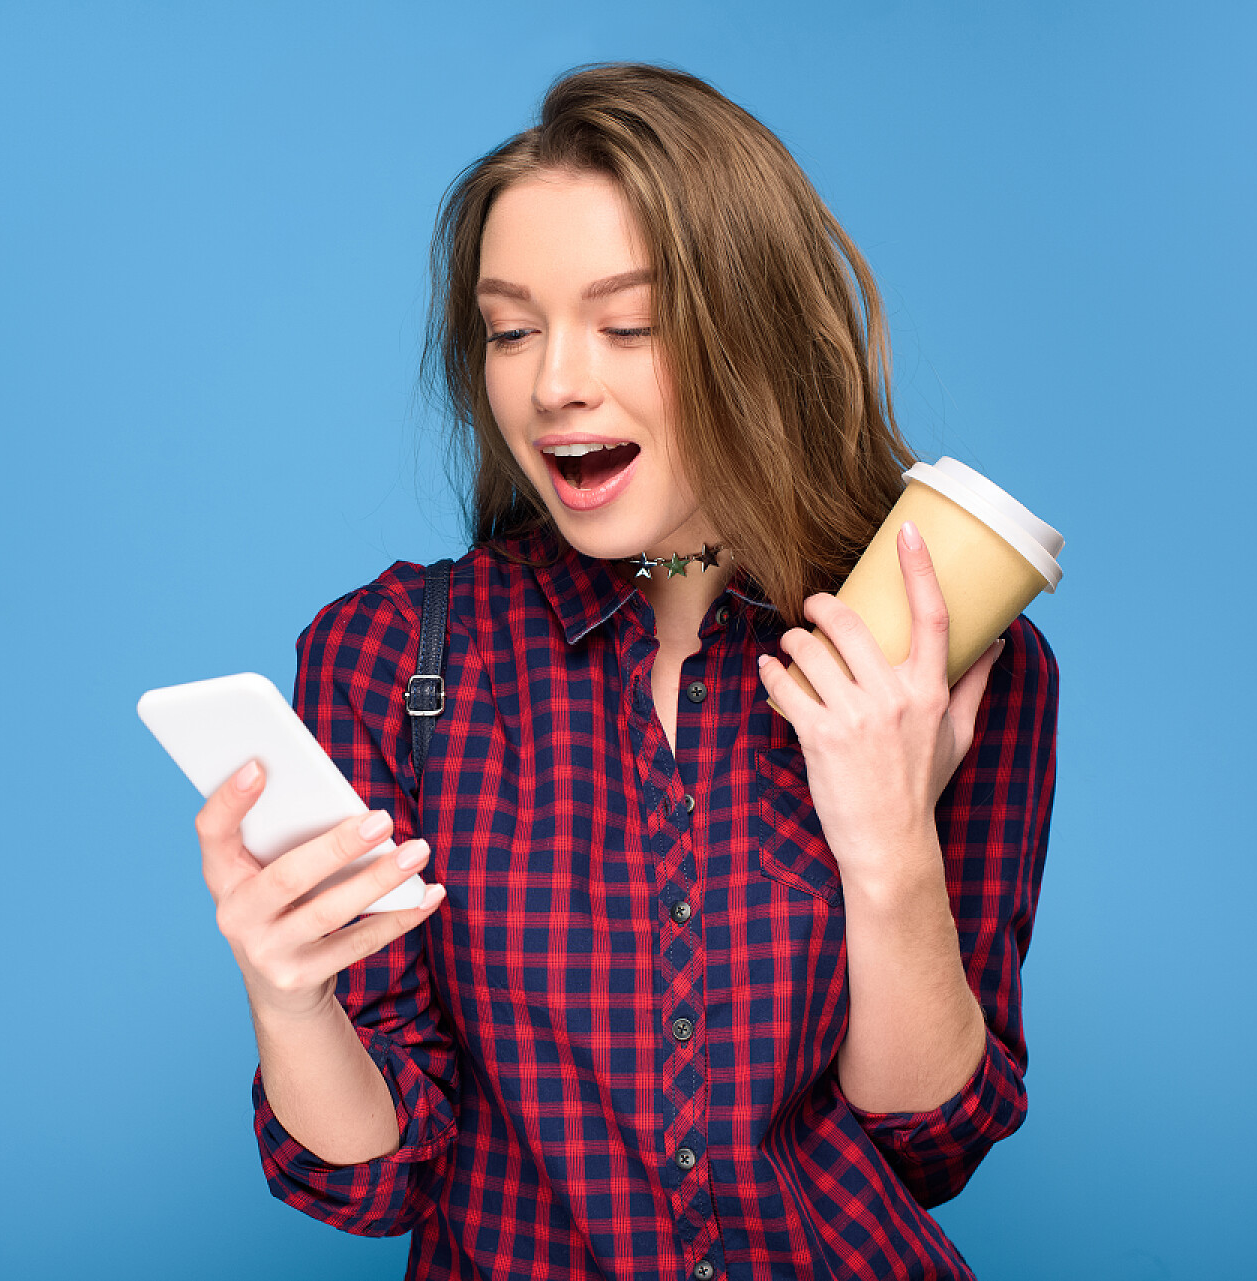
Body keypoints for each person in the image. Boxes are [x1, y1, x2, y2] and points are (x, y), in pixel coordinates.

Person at [195, 63, 1057, 1281]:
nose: (554, 383)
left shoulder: (942, 660)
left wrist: (889, 847)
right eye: (511, 330)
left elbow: (930, 1143)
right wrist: (290, 1001)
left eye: (629, 325)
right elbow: (382, 1180)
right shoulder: (390, 658)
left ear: (758, 335)